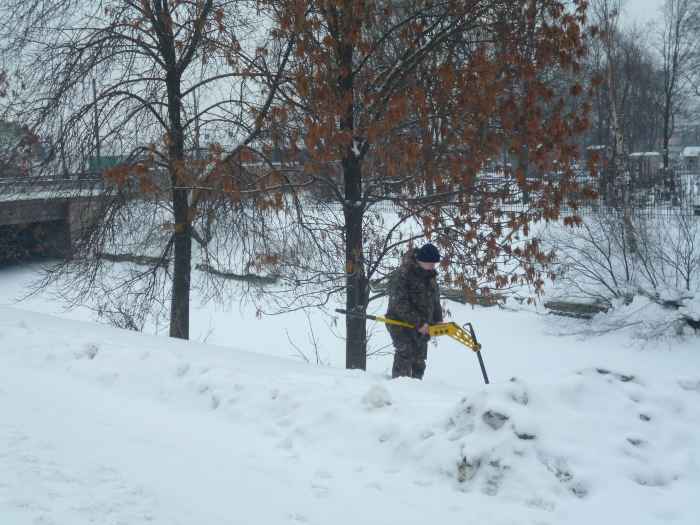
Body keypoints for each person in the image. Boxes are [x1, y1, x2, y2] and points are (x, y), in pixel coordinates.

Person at [385, 243, 443, 379]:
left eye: (435, 264)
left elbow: (435, 300)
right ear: (420, 260)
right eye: (430, 263)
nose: (433, 266)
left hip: (424, 327)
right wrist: (419, 323)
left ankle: (416, 389)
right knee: (405, 353)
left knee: (418, 359)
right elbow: (399, 304)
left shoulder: (430, 276)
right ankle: (399, 386)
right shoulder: (402, 276)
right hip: (400, 323)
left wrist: (438, 319)